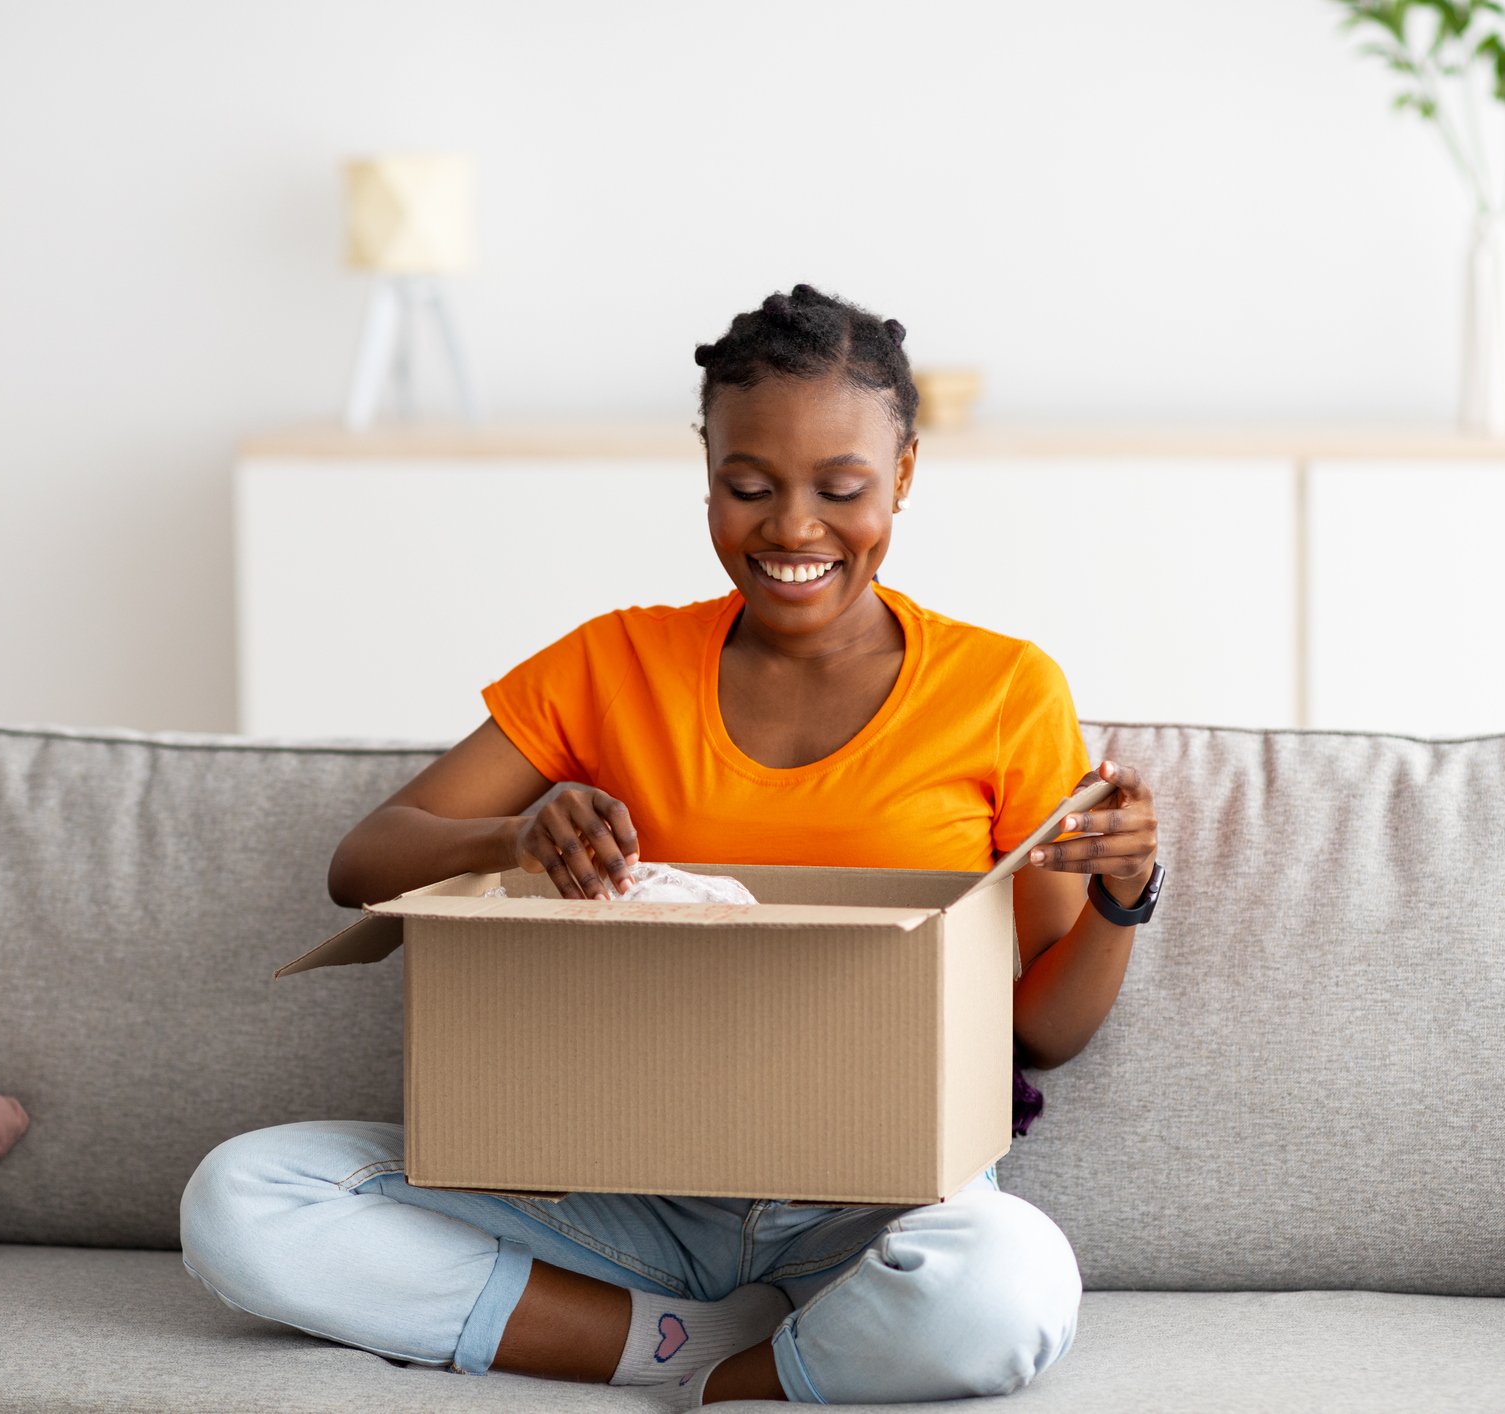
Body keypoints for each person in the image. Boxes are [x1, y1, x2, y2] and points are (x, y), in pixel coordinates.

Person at [180, 283, 1163, 1407]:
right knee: (241, 1197)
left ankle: (744, 1381)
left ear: (902, 475)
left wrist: (1124, 895)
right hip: (618, 1190)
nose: (793, 528)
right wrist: (519, 833)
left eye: (840, 488)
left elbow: (1037, 1029)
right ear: (706, 469)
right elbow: (362, 862)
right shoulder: (613, 664)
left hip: (873, 1207)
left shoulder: (1003, 690)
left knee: (1013, 1283)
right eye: (750, 486)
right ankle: (664, 1344)